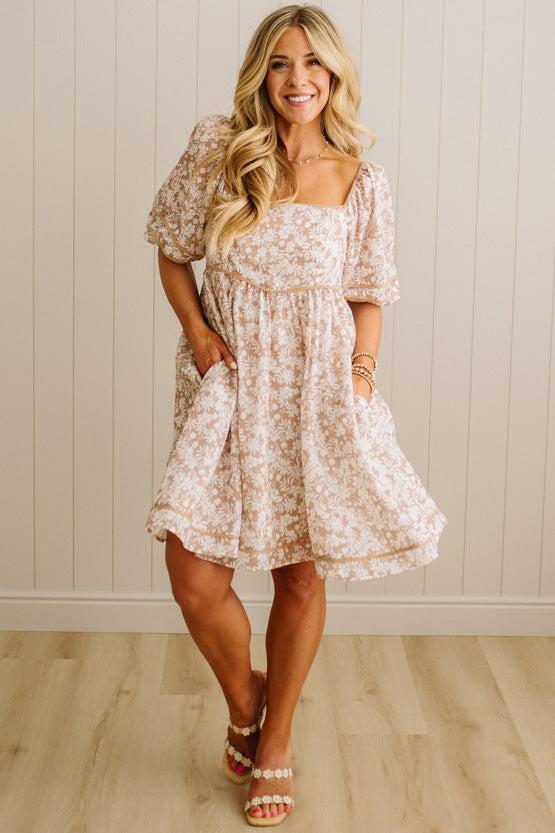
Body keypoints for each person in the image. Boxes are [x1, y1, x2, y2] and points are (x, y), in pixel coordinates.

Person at [143, 4, 447, 826]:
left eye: (313, 64)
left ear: (336, 77)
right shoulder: (218, 148)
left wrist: (358, 374)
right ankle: (247, 699)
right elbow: (171, 248)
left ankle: (273, 742)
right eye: (280, 63)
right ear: (260, 74)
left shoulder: (360, 179)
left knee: (299, 570)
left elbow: (368, 298)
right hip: (233, 379)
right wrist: (200, 334)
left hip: (317, 387)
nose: (297, 79)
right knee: (191, 565)